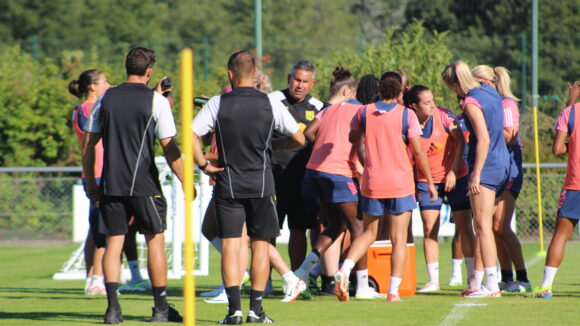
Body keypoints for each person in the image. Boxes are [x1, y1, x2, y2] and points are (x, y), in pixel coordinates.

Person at [191, 51, 305, 324]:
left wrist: (203, 165)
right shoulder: (271, 102)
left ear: (230, 73)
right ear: (255, 73)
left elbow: (192, 135)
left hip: (228, 184)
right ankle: (256, 311)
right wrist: (274, 145)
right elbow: (299, 139)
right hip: (262, 184)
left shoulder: (217, 103)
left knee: (231, 247)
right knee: (261, 246)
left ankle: (234, 312)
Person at [83, 47, 184, 323]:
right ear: (149, 71)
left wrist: (92, 183)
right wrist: (187, 180)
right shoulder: (157, 101)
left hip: (111, 184)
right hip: (144, 185)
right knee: (155, 242)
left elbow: (89, 146)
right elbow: (169, 147)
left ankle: (113, 309)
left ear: (126, 67)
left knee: (113, 244)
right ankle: (161, 309)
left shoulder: (105, 98)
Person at [335, 72, 438, 303]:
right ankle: (392, 291)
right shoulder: (407, 115)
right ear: (401, 92)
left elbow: (352, 138)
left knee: (368, 233)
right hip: (400, 183)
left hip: (372, 182)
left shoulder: (363, 112)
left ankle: (344, 269)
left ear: (379, 88)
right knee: (398, 239)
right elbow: (419, 151)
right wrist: (430, 182)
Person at [295, 67, 382, 300]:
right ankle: (360, 285)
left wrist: (326, 148)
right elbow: (362, 146)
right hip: (340, 174)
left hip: (314, 172)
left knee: (334, 226)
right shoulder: (362, 111)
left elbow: (309, 132)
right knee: (359, 229)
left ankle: (300, 273)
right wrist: (360, 162)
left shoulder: (330, 108)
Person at [442, 61, 510, 297]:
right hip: (502, 163)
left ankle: (491, 284)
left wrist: (476, 173)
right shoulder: (489, 90)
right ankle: (477, 281)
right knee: (482, 226)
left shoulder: (472, 102)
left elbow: (483, 139)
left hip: (487, 165)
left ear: (454, 83)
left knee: (482, 226)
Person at [403, 85, 470, 292]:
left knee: (465, 229)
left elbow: (461, 142)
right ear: (413, 106)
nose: (433, 105)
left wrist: (453, 170)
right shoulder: (406, 123)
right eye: (427, 102)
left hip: (456, 177)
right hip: (426, 182)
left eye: (433, 100)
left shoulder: (444, 116)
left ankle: (474, 277)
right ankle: (433, 281)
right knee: (429, 229)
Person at [471, 65, 531, 293]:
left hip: (508, 172)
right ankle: (506, 277)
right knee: (492, 227)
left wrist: (483, 131)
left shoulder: (505, 103)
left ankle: (522, 276)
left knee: (499, 226)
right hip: (499, 169)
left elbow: (509, 134)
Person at [269, 60, 324, 273]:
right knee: (267, 232)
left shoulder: (318, 107)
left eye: (304, 81)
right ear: (289, 79)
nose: (299, 85)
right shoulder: (272, 100)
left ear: (312, 84)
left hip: (302, 181)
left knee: (299, 230)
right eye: (296, 80)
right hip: (273, 177)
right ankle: (265, 282)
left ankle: (296, 278)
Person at [533, 80, 579, 299]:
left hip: (574, 185)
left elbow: (558, 148)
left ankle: (545, 287)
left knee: (560, 236)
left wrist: (571, 102)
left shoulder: (570, 113)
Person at [68, 69, 110, 296]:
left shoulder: (86, 108)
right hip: (97, 173)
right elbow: (90, 134)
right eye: (105, 81)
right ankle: (96, 279)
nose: (109, 84)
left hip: (96, 172)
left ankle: (92, 278)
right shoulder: (86, 109)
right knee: (102, 227)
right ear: (93, 86)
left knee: (95, 229)